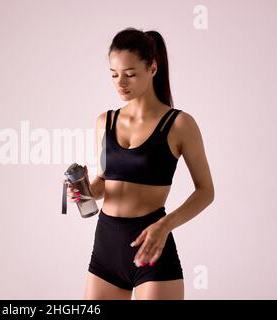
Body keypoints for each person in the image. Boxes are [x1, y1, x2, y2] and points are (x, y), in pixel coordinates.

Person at [65, 27, 215, 300]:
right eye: (113, 74)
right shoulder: (105, 121)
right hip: (105, 248)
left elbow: (206, 191)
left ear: (153, 68)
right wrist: (84, 189)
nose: (120, 82)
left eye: (130, 74)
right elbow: (105, 182)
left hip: (152, 246)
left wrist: (166, 225)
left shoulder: (179, 124)